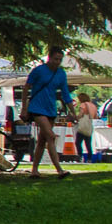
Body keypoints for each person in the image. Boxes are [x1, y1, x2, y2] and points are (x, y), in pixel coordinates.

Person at [25, 47, 75, 177]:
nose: (57, 62)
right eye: (55, 59)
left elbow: (66, 94)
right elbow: (26, 87)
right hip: (37, 108)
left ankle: (34, 170)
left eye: (60, 60)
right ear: (49, 57)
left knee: (42, 140)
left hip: (51, 109)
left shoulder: (61, 74)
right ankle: (59, 169)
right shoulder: (38, 71)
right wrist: (24, 108)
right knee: (51, 136)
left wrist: (73, 111)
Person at [73, 91, 97, 161]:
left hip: (82, 127)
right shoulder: (93, 105)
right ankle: (89, 158)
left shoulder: (83, 104)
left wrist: (76, 118)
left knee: (78, 142)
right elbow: (95, 116)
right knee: (88, 144)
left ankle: (80, 156)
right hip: (89, 126)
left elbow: (81, 114)